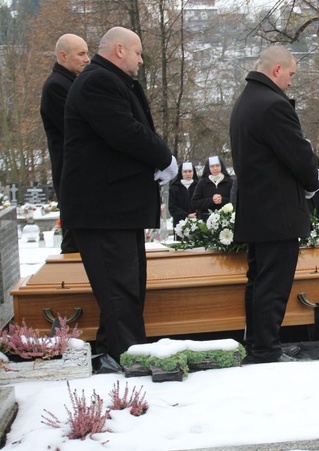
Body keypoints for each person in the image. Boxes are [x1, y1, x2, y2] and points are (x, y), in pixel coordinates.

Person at [60, 26, 177, 370]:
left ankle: (114, 353)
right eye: (139, 52)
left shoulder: (107, 80)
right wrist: (163, 158)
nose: (141, 60)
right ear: (120, 50)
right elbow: (126, 132)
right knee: (120, 292)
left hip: (112, 211)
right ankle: (130, 362)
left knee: (125, 290)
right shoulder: (99, 82)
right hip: (103, 211)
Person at [230, 45, 319, 364]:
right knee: (273, 284)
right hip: (277, 211)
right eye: (291, 74)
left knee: (259, 282)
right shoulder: (273, 104)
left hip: (257, 210)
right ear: (277, 70)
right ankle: (267, 350)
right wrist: (314, 180)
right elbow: (297, 155)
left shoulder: (246, 101)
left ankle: (258, 344)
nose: (291, 82)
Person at [40, 33, 90, 254]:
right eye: (81, 54)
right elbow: (78, 128)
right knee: (76, 239)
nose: (87, 58)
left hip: (79, 174)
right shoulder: (57, 86)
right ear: (63, 55)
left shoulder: (73, 83)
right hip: (73, 175)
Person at [191, 156, 233, 221]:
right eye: (212, 166)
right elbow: (195, 203)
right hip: (206, 221)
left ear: (221, 166)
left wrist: (222, 200)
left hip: (226, 220)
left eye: (217, 165)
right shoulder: (202, 183)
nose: (215, 168)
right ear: (208, 168)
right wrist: (211, 201)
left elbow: (235, 200)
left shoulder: (230, 182)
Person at [168, 162, 197, 237]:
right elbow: (172, 208)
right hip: (180, 224)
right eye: (185, 171)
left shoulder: (199, 186)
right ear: (181, 173)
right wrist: (187, 215)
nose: (188, 174)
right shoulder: (174, 188)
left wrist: (196, 214)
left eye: (190, 171)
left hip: (197, 222)